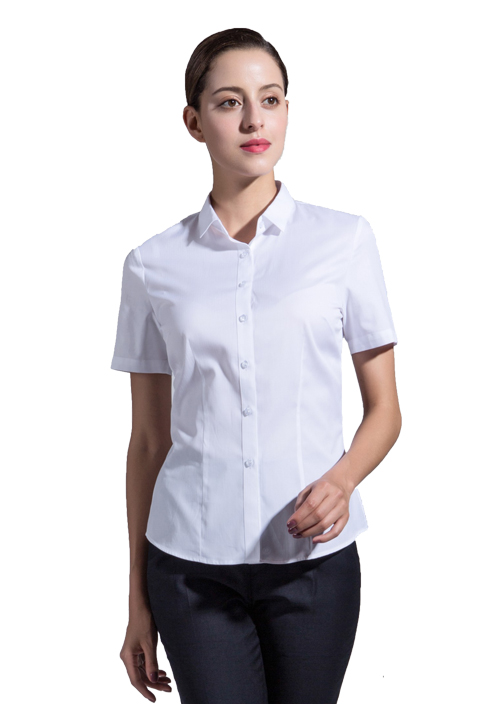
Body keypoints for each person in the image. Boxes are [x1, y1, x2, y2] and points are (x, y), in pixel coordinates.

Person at [111, 27, 402, 704]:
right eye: (228, 102)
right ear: (194, 122)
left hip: (314, 566)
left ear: (287, 111)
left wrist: (343, 480)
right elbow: (149, 440)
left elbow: (386, 410)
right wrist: (136, 596)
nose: (253, 120)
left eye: (269, 100)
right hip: (189, 569)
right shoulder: (152, 266)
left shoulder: (345, 242)